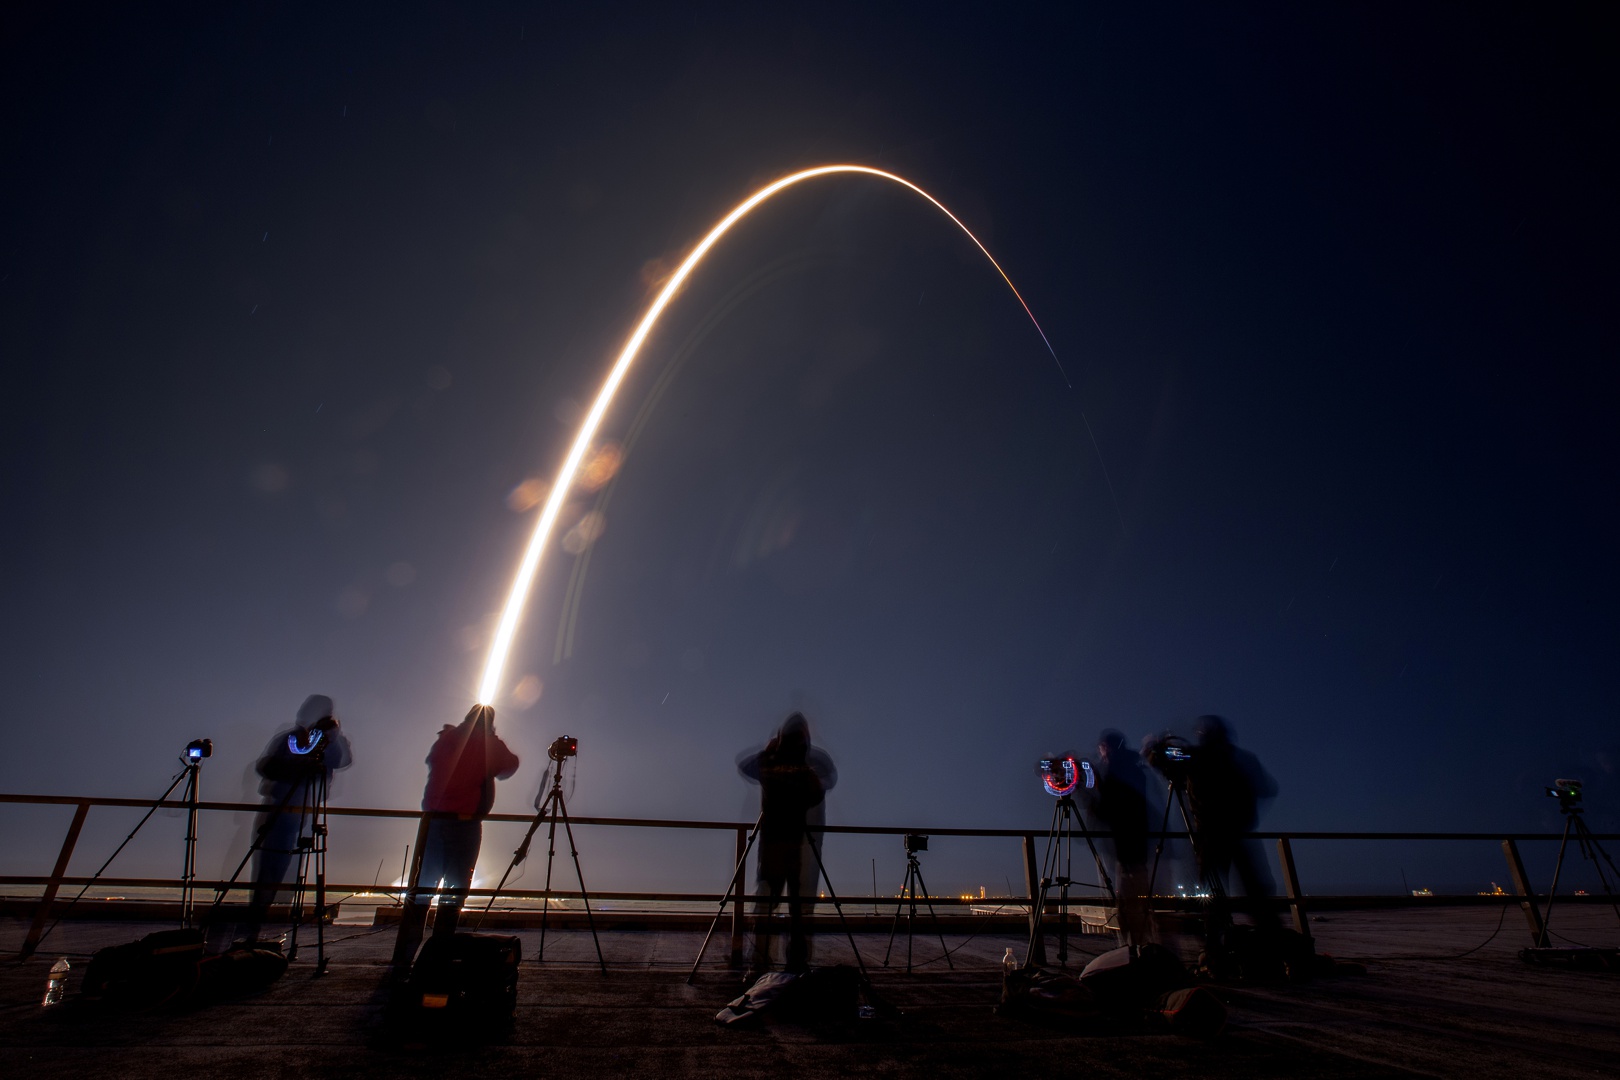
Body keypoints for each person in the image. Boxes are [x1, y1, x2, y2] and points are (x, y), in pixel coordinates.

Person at [243, 694, 353, 944]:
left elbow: (341, 760)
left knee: (284, 868)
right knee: (270, 867)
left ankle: (265, 922)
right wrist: (296, 768)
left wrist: (332, 735)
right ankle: (257, 921)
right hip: (280, 808)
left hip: (301, 810)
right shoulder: (291, 738)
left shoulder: (327, 742)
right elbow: (266, 766)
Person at [407, 704, 520, 940]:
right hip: (464, 824)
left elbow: (433, 760)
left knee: (423, 888)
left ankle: (405, 954)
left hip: (432, 821)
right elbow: (510, 766)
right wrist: (492, 737)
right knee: (454, 891)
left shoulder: (447, 738)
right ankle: (439, 951)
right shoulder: (488, 744)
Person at [736, 713, 837, 974]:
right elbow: (819, 790)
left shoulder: (770, 762)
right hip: (798, 844)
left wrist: (769, 753)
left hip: (771, 843)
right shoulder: (810, 767)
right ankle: (797, 964)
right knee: (800, 908)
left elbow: (745, 766)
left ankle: (758, 965)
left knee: (766, 902)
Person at [1182, 714, 1279, 957]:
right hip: (1240, 833)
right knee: (1255, 890)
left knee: (1212, 893)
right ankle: (1272, 943)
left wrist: (1156, 748)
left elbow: (1163, 760)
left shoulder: (1197, 757)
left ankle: (1214, 947)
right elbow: (1268, 788)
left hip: (1211, 836)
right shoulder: (1241, 758)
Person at [1090, 728, 1155, 946]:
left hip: (1124, 846)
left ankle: (1133, 950)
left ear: (1106, 748)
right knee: (1138, 901)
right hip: (1139, 843)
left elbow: (1104, 811)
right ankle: (1143, 948)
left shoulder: (1114, 774)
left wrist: (1093, 788)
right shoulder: (1137, 769)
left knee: (1128, 905)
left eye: (1101, 749)